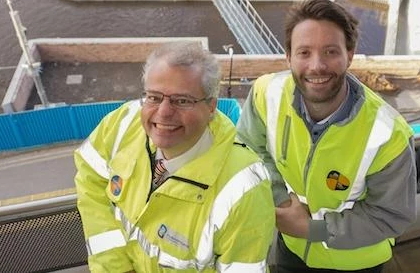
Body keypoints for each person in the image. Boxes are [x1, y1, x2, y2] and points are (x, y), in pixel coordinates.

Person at [237, 0, 416, 272]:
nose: (317, 65)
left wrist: (313, 229)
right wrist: (283, 203)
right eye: (304, 52)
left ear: (350, 55)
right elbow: (249, 149)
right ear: (288, 57)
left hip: (354, 262)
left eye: (331, 52)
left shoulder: (387, 134)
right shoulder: (266, 94)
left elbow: (390, 216)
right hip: (291, 247)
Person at [74, 41, 275, 273]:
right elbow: (90, 180)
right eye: (154, 97)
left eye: (182, 101)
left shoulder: (244, 188)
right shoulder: (123, 122)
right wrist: (116, 267)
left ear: (211, 107)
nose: (164, 112)